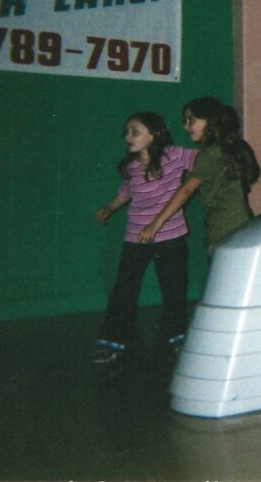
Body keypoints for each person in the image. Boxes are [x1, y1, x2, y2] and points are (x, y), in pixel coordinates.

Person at [92, 112, 197, 365]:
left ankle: (177, 338)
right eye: (127, 132)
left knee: (173, 291)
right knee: (123, 291)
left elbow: (207, 164)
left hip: (171, 237)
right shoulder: (131, 166)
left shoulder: (175, 155)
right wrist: (108, 208)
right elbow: (126, 193)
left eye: (135, 131)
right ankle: (113, 341)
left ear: (154, 134)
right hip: (136, 237)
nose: (128, 137)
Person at [140, 97, 260, 252]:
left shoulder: (211, 154)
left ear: (210, 120)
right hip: (240, 222)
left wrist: (156, 223)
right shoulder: (223, 149)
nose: (186, 126)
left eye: (191, 120)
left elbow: (186, 190)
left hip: (224, 227)